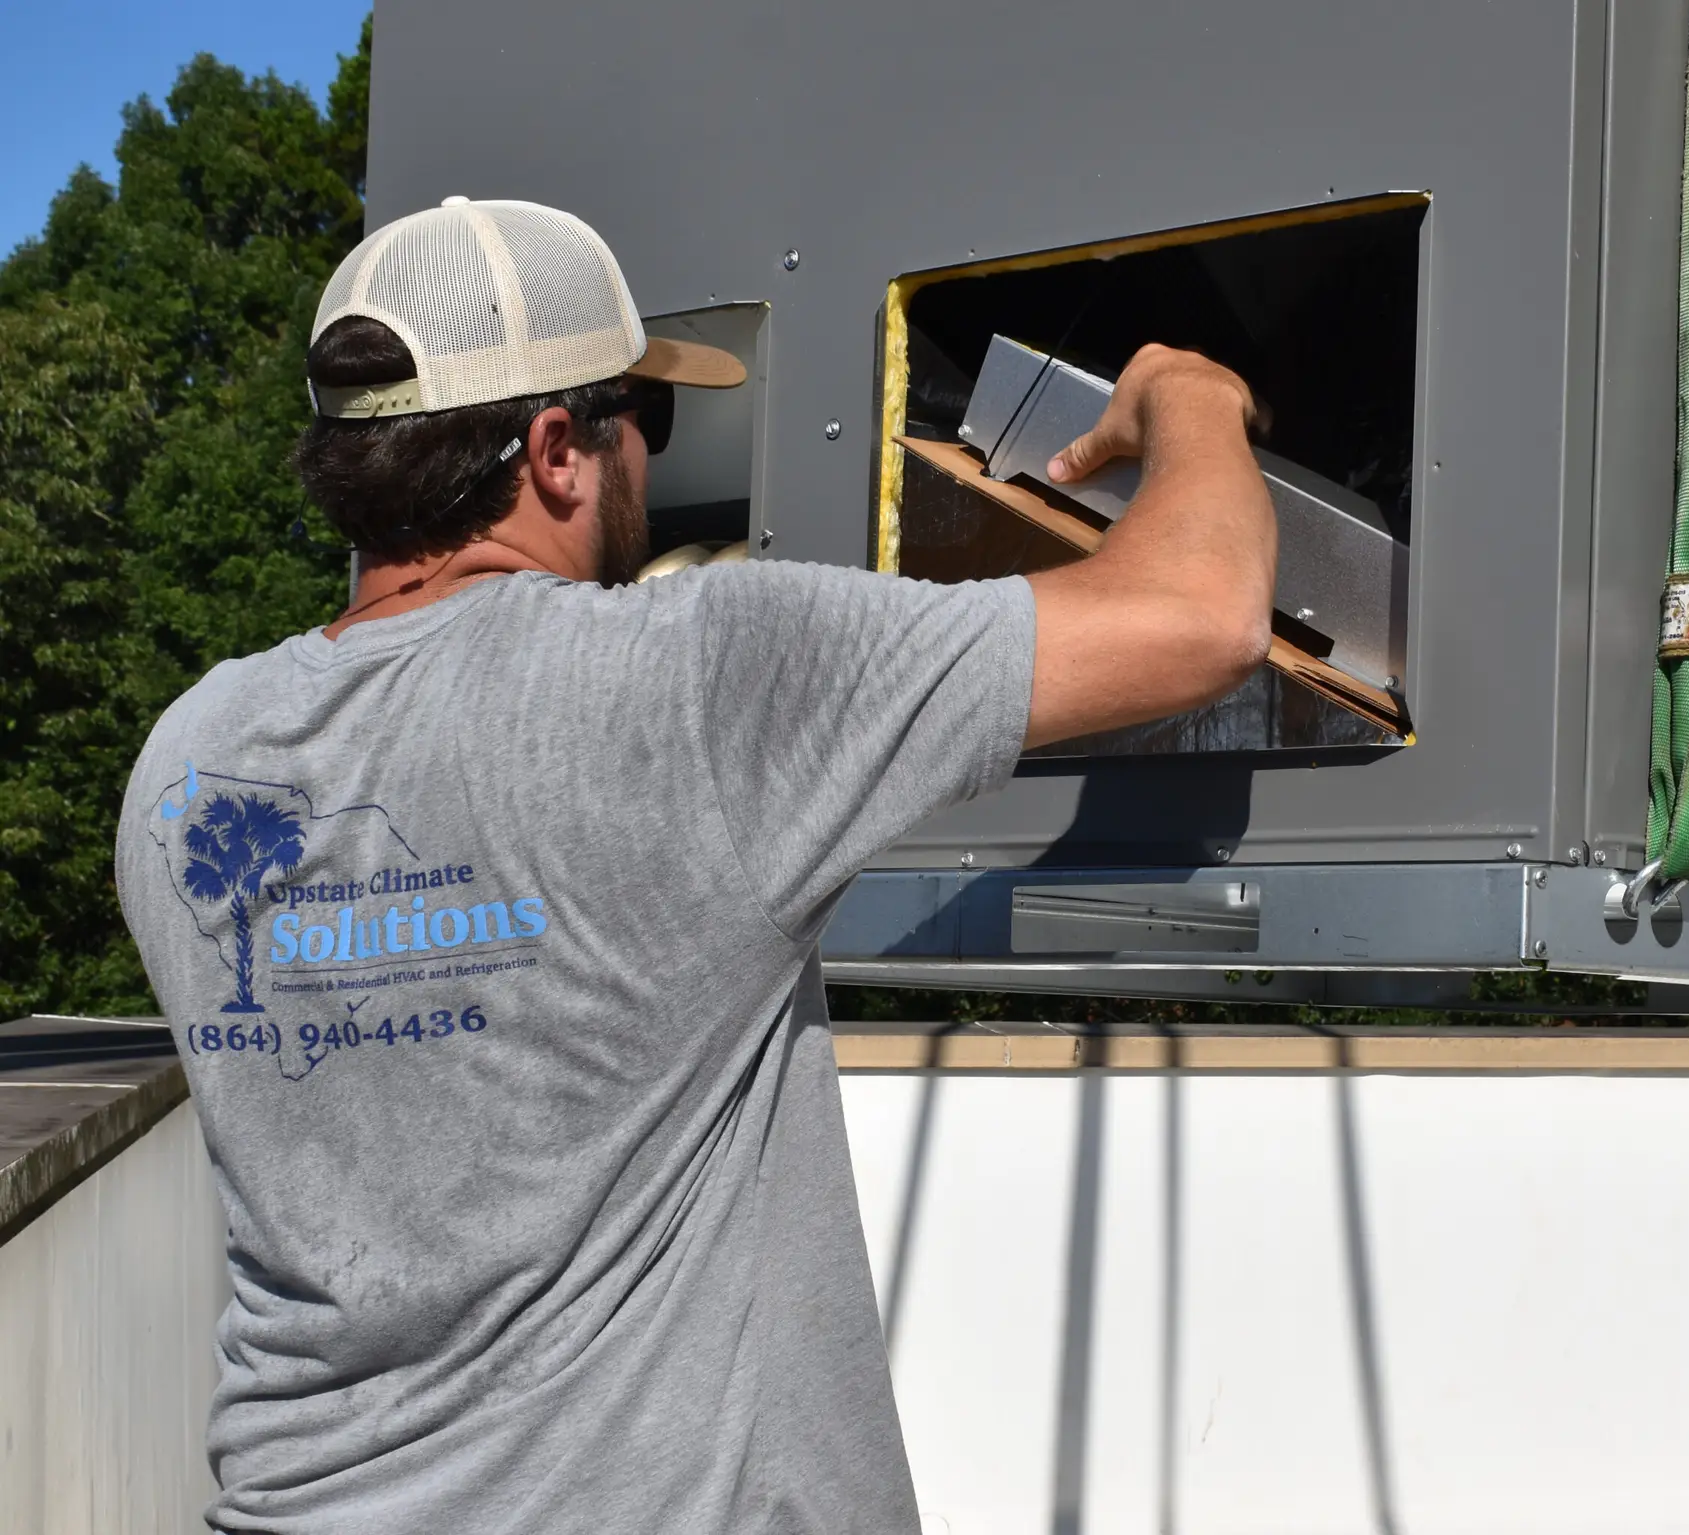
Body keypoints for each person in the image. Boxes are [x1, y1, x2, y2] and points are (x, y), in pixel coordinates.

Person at [115, 198, 1275, 1533]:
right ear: (558, 452)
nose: (655, 468)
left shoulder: (186, 765)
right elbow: (1201, 615)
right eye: (644, 425)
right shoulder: (697, 677)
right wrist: (1191, 398)